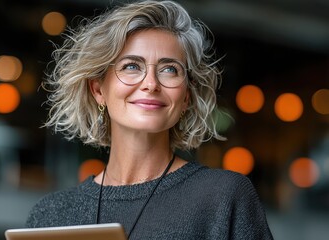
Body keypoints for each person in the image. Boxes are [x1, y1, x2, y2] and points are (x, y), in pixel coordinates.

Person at [26, 0, 274, 239]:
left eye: (170, 69)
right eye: (132, 66)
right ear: (99, 90)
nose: (151, 84)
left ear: (186, 96)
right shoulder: (49, 216)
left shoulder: (224, 196)